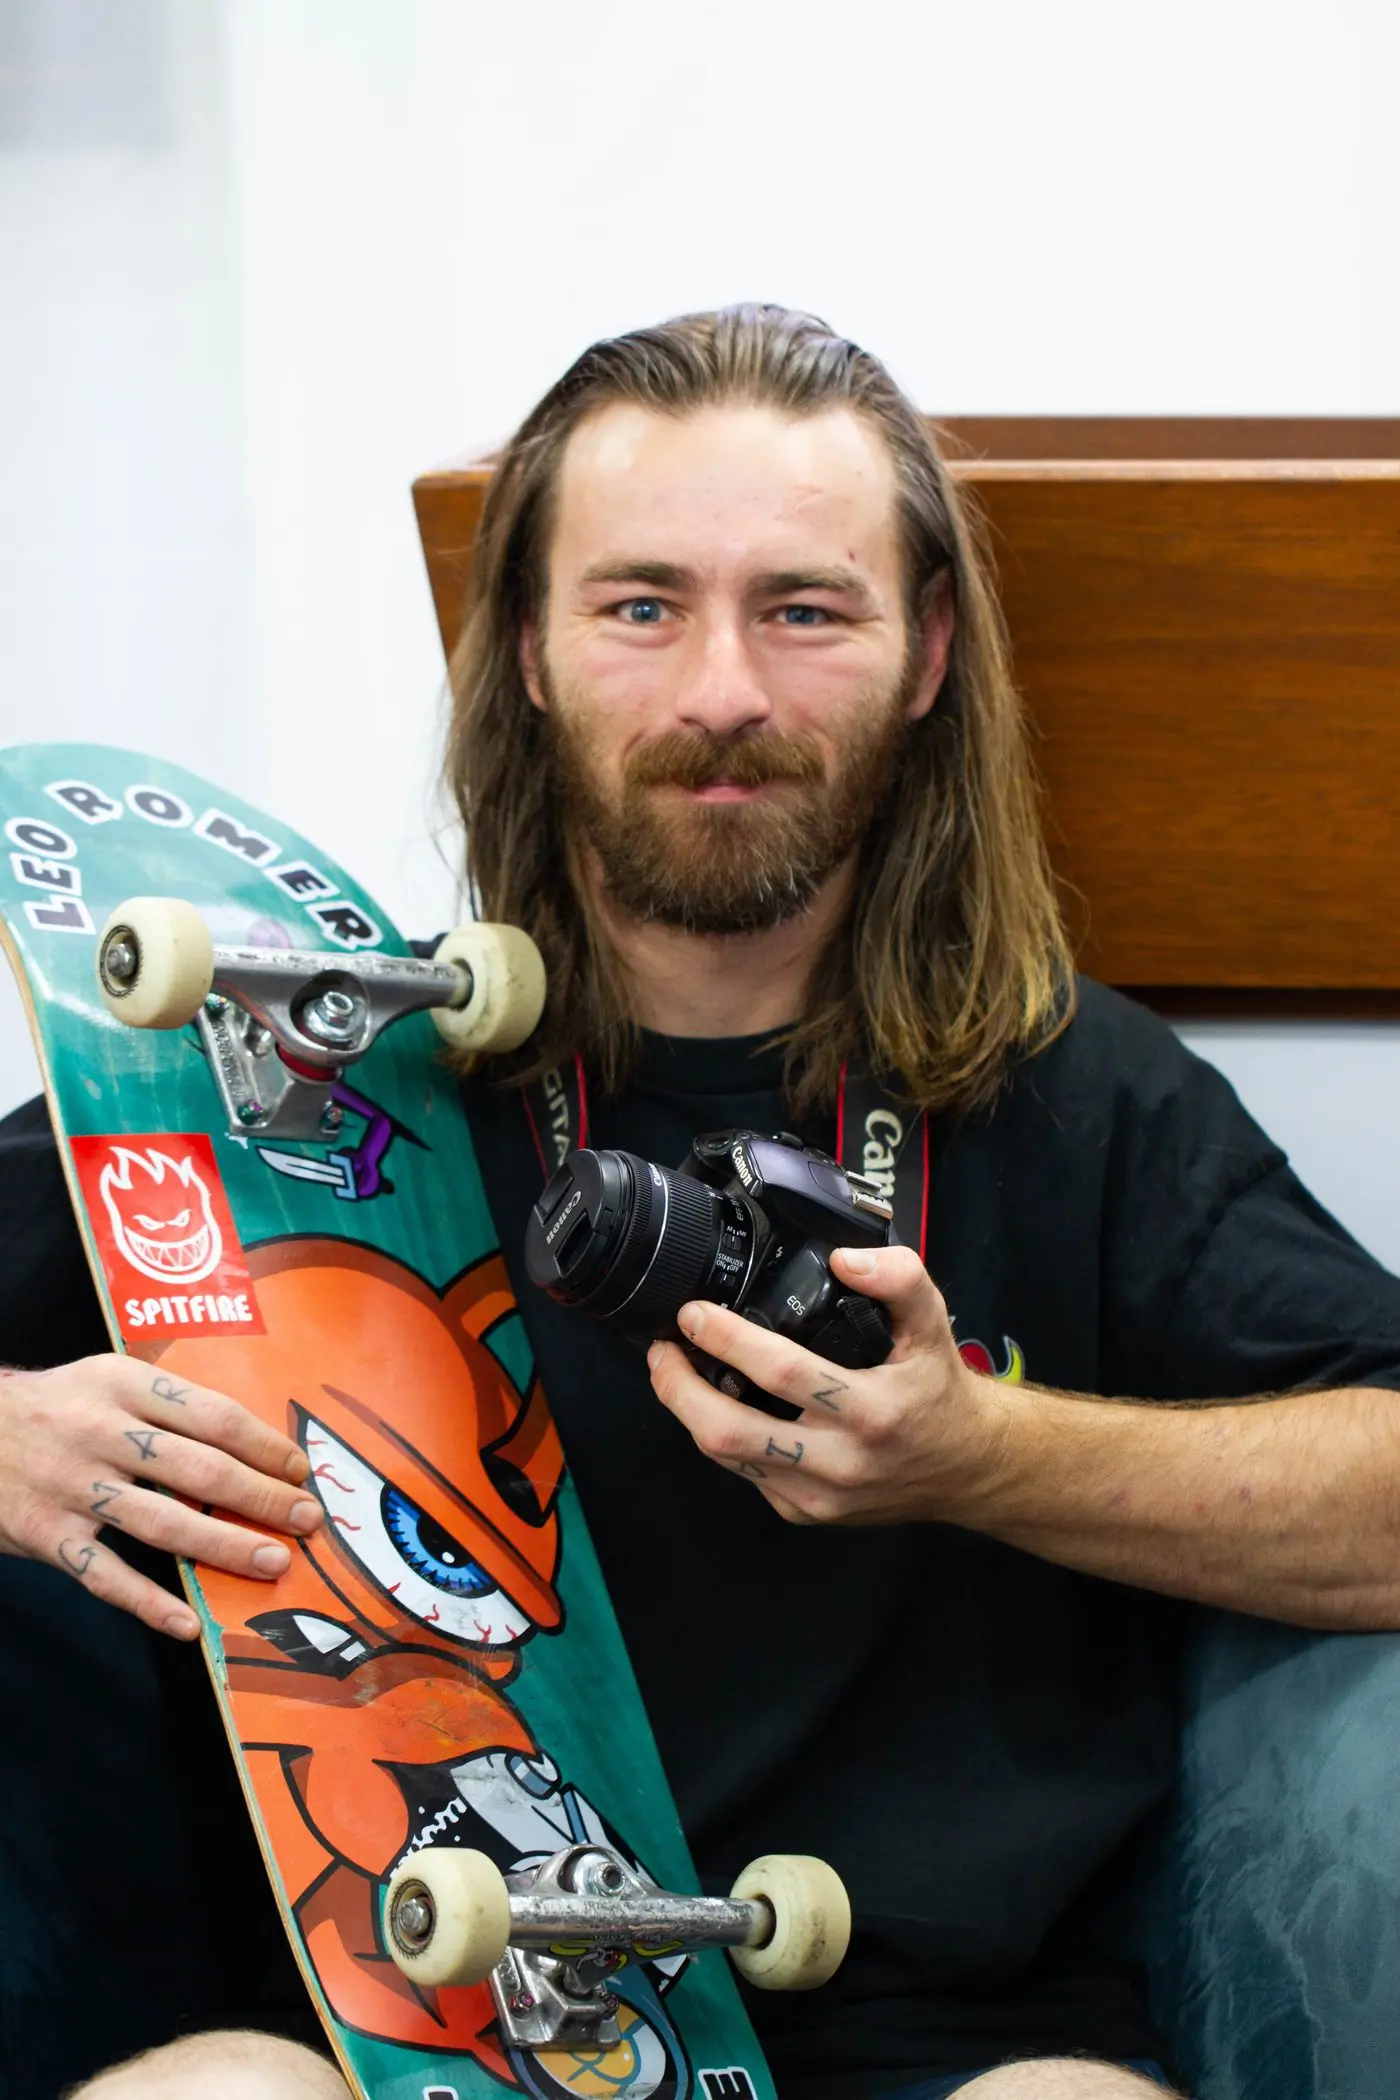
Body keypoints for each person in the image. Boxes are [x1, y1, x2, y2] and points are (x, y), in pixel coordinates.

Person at [6, 304, 1400, 2100]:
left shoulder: (1068, 1091)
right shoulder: (303, 1070)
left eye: (803, 609)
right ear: (526, 649)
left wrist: (985, 1453)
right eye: (641, 604)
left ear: (925, 656)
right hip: (386, 2036)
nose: (722, 691)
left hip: (937, 2050)